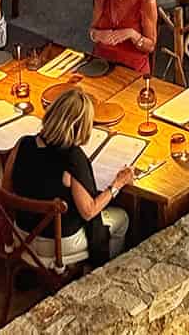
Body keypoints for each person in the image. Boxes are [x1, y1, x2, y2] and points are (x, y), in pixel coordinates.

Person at [9, 88, 131, 265]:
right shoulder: (72, 158)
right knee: (122, 218)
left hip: (21, 235)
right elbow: (89, 211)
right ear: (80, 125)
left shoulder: (23, 144)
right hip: (57, 244)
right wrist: (117, 184)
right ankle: (104, 273)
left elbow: (6, 191)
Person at [89, 0, 157, 77]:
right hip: (102, 61)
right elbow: (92, 30)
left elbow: (150, 46)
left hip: (132, 66)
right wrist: (97, 35)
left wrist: (131, 34)